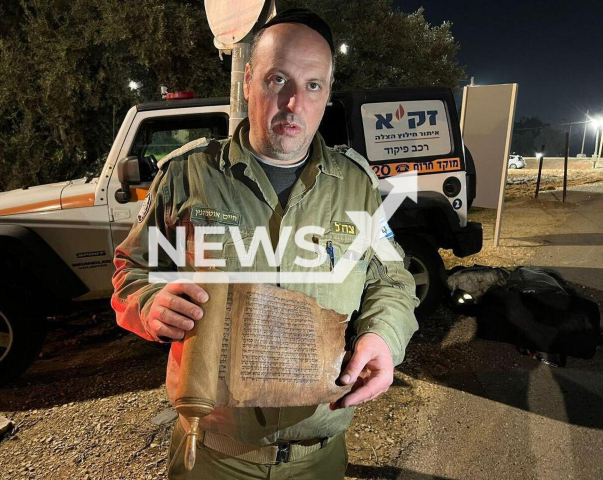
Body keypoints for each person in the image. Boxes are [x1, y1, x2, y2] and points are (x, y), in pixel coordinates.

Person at [112, 8, 419, 479]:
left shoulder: (355, 185)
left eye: (313, 85)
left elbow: (392, 280)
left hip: (319, 457)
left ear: (327, 94)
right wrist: (151, 303)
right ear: (249, 80)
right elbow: (133, 271)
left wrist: (383, 336)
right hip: (213, 456)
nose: (294, 102)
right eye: (279, 80)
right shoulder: (189, 177)